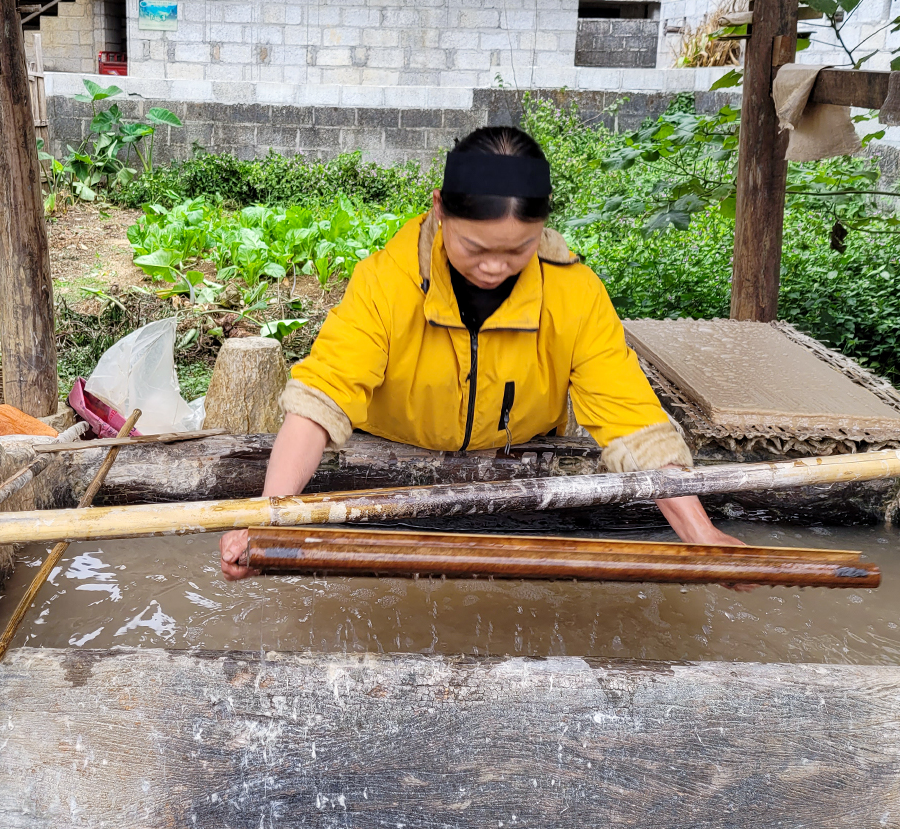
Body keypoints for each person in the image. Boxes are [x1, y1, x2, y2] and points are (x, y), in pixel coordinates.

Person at [219, 126, 742, 580]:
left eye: (518, 250)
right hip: (390, 458)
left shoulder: (575, 294)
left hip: (518, 463)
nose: (495, 268)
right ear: (440, 209)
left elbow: (632, 422)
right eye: (476, 248)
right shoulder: (387, 282)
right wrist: (266, 522)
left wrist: (701, 534)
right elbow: (321, 401)